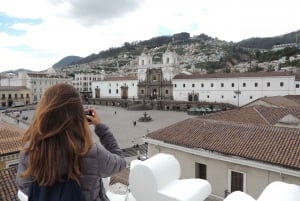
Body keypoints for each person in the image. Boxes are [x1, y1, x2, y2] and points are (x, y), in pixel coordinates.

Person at [16, 83, 126, 201]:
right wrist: (100, 127)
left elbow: (24, 186)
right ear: (78, 114)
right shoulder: (92, 152)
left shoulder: (30, 150)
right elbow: (120, 163)